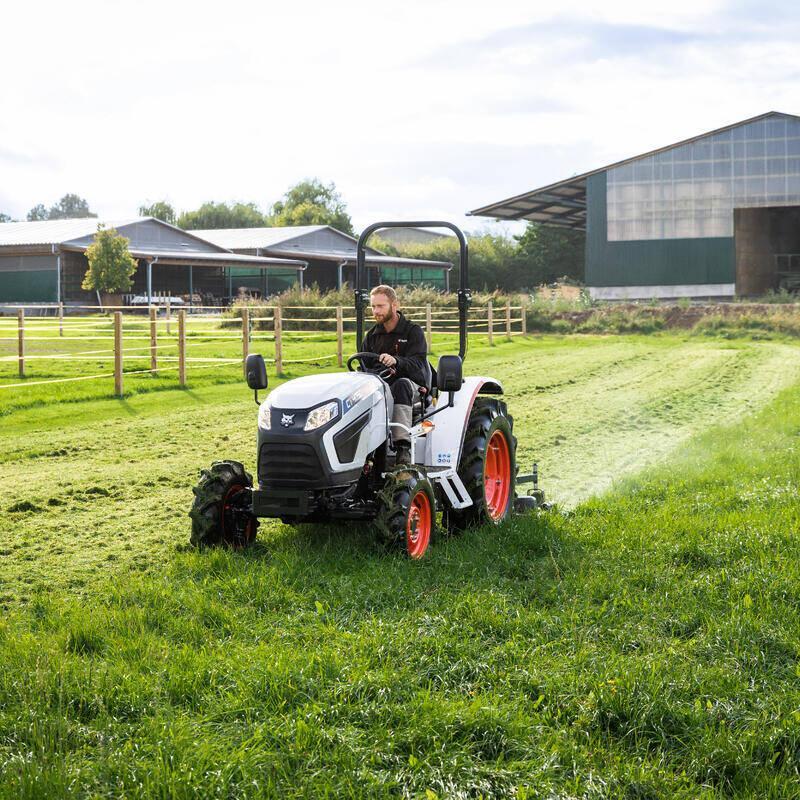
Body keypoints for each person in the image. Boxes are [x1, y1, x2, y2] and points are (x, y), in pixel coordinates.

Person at [361, 285, 429, 466]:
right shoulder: (372, 336)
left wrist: (396, 361)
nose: (376, 311)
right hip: (381, 385)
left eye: (380, 306)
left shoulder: (412, 331)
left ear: (394, 305)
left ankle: (402, 448)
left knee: (401, 385)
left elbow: (419, 365)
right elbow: (364, 367)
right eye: (373, 306)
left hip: (412, 386)